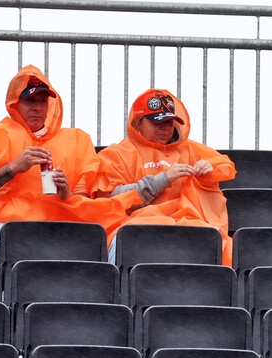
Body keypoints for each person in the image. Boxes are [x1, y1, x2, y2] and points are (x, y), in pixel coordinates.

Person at [0, 65, 140, 262]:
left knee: (95, 238)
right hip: (7, 227)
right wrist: (13, 168)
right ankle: (4, 291)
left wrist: (66, 194)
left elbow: (84, 200)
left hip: (61, 227)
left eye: (43, 101)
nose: (38, 107)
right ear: (13, 104)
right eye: (29, 101)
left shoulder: (77, 140)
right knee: (7, 238)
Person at [94, 88, 236, 264]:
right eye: (157, 122)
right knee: (122, 238)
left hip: (187, 226)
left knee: (213, 239)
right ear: (138, 122)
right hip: (136, 227)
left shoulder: (192, 150)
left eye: (169, 122)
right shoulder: (117, 153)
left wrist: (209, 169)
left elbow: (225, 165)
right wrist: (162, 180)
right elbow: (110, 201)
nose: (165, 128)